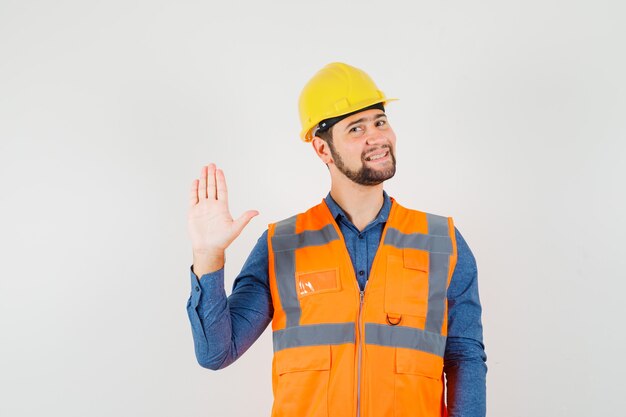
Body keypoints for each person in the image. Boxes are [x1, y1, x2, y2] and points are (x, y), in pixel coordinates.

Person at [186, 62, 487, 417]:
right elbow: (216, 352)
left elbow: (465, 357)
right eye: (356, 128)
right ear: (322, 149)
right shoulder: (281, 245)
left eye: (380, 121)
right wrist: (209, 256)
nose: (376, 137)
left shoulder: (443, 242)